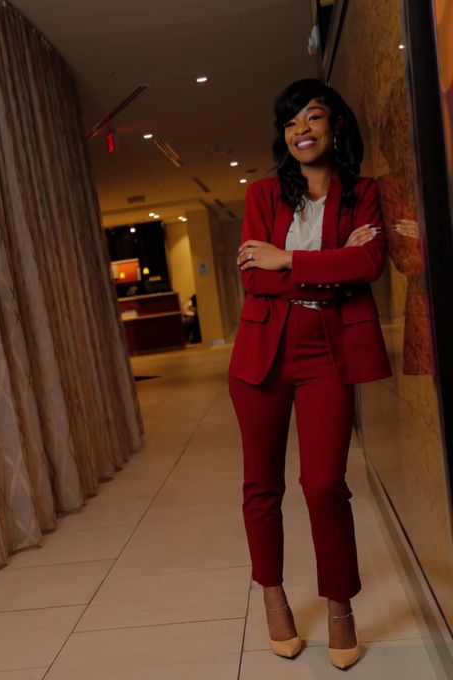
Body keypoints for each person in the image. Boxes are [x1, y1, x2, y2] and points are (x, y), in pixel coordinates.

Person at [228, 78, 391, 670]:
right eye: (291, 121)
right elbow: (253, 276)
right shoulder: (264, 195)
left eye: (313, 117)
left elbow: (369, 262)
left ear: (336, 126)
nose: (301, 129)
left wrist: (290, 258)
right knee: (261, 485)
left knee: (325, 485)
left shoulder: (363, 193)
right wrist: (330, 264)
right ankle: (272, 596)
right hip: (261, 355)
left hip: (328, 352)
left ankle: (340, 604)